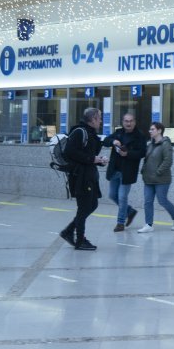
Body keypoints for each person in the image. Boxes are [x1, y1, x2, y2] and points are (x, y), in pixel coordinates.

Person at [59, 108, 107, 251]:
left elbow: (89, 155)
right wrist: (92, 159)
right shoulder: (80, 132)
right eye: (99, 118)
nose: (101, 120)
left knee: (92, 205)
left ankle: (68, 231)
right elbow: (70, 152)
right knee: (84, 207)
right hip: (80, 177)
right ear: (92, 119)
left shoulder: (91, 134)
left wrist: (99, 160)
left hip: (89, 175)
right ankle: (80, 240)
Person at [102, 112, 147, 231]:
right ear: (123, 122)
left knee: (122, 197)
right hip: (115, 170)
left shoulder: (140, 136)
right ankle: (130, 211)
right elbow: (105, 141)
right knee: (112, 195)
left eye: (131, 121)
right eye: (126, 121)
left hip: (127, 171)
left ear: (135, 122)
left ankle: (120, 223)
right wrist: (113, 142)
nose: (129, 123)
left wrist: (128, 154)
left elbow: (142, 152)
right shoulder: (118, 133)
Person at [137, 122, 174, 232]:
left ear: (159, 131)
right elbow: (147, 159)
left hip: (161, 179)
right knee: (147, 201)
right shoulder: (150, 144)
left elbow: (168, 161)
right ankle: (148, 224)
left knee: (162, 200)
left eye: (152, 129)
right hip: (148, 178)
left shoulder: (166, 144)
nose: (150, 131)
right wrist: (143, 170)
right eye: (150, 129)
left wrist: (158, 172)